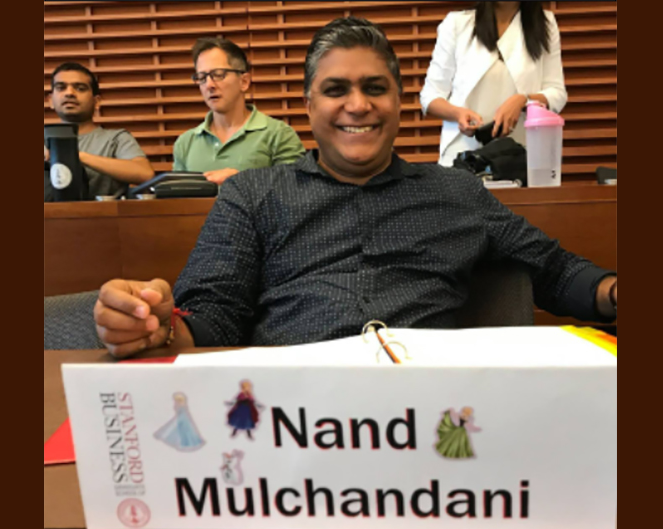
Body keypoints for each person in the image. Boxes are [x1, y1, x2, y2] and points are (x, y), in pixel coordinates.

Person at [93, 16, 617, 358]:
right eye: (336, 89)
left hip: (432, 420)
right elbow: (212, 316)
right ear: (309, 105)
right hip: (290, 422)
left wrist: (614, 292)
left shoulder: (458, 192)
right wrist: (153, 326)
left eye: (374, 88)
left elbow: (556, 270)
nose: (358, 105)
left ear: (398, 101)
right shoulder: (251, 195)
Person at [420, 2, 568, 167]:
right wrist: (458, 114)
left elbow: (557, 93)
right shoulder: (457, 24)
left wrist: (523, 100)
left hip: (518, 156)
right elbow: (430, 96)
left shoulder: (545, 23)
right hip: (461, 154)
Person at [173, 38, 305, 186]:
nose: (209, 85)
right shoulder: (185, 143)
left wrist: (243, 181)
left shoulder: (279, 134)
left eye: (218, 74)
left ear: (244, 82)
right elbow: (176, 196)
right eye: (202, 77)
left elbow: (295, 190)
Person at [45, 63, 155, 200]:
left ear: (96, 102)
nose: (69, 93)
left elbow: (145, 174)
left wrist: (74, 156)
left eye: (80, 88)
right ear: (50, 101)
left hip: (106, 213)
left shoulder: (115, 139)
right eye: (61, 88)